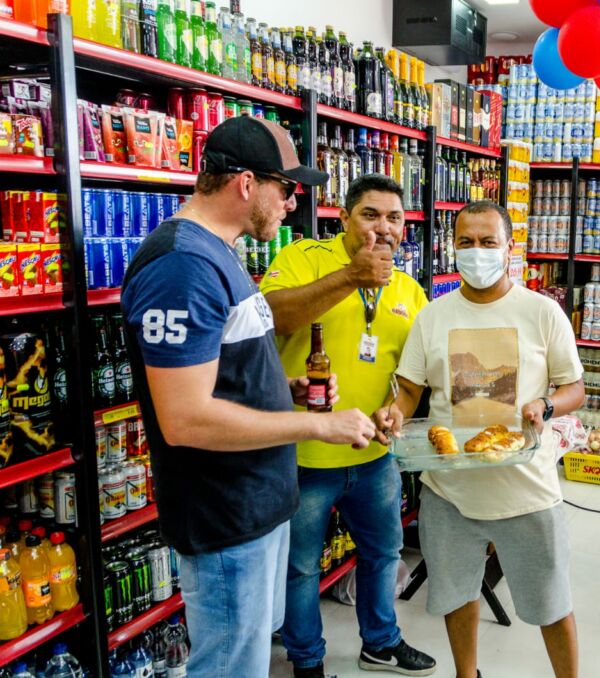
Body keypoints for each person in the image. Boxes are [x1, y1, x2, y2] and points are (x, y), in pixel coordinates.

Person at [120, 116, 379, 678]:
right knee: (230, 668)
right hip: (224, 515)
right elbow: (185, 419)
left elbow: (219, 376)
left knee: (249, 659)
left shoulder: (216, 253)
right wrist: (316, 427)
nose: (291, 204)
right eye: (286, 188)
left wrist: (282, 388)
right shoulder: (182, 265)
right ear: (245, 184)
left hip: (254, 505)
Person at [374, 201, 585, 678]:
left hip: (526, 490)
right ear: (453, 248)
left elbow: (574, 387)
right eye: (466, 242)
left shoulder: (541, 312)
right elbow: (410, 388)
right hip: (451, 492)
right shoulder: (434, 315)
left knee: (552, 604)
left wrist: (545, 406)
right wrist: (393, 414)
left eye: (488, 242)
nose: (477, 252)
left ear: (510, 248)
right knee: (455, 594)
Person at [262, 174, 436, 678]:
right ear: (343, 217)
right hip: (303, 455)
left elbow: (410, 375)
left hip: (373, 455)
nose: (384, 227)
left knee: (383, 553)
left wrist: (396, 409)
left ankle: (380, 643)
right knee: (300, 569)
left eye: (395, 218)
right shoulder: (303, 259)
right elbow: (272, 318)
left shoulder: (408, 290)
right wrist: (350, 278)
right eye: (370, 214)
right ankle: (307, 661)